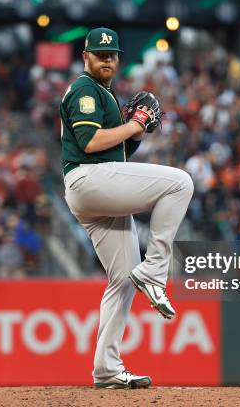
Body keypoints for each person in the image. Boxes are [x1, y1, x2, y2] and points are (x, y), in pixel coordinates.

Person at [60, 27, 194, 389]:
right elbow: (90, 143)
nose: (107, 60)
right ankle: (154, 271)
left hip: (99, 184)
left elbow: (116, 154)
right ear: (85, 56)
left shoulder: (105, 93)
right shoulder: (86, 90)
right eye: (100, 54)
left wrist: (136, 133)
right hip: (88, 180)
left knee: (121, 280)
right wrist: (133, 123)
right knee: (181, 183)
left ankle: (106, 369)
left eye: (113, 55)